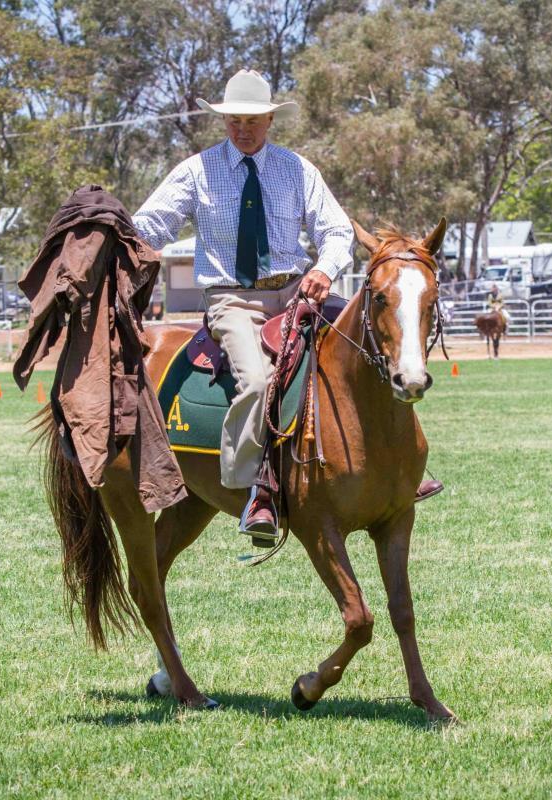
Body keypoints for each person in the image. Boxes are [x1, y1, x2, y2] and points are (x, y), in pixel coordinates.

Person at [132, 68, 439, 546]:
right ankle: (255, 491)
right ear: (224, 121)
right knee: (256, 380)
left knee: (370, 346)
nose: (243, 129)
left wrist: (325, 270)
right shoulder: (196, 171)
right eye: (235, 120)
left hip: (298, 290)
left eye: (253, 120)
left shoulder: (296, 169)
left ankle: (399, 472)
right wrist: (115, 239)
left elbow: (335, 230)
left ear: (270, 120)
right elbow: (150, 225)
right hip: (233, 299)